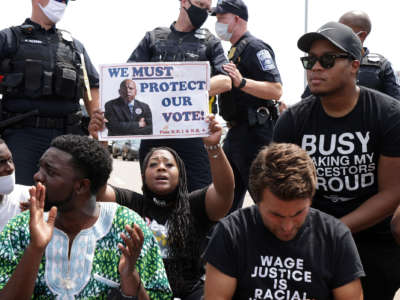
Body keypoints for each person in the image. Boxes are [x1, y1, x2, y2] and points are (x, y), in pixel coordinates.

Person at [274, 21, 400, 300]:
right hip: (309, 233)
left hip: (372, 235)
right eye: (310, 60)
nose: (315, 68)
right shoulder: (292, 122)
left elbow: (392, 193)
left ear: (355, 65)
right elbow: (279, 189)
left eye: (328, 60)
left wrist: (337, 229)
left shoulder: (388, 115)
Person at [0, 135, 172, 299]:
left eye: (50, 172)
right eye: (40, 167)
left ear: (81, 186)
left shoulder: (127, 229)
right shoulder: (21, 227)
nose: (37, 176)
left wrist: (130, 276)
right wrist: (35, 248)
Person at [91, 114, 234, 300]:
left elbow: (225, 192)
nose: (161, 168)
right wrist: (100, 144)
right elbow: (97, 190)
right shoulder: (131, 203)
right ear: (144, 173)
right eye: (153, 164)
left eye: (169, 164)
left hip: (190, 293)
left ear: (180, 173)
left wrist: (213, 147)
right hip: (139, 289)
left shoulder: (195, 205)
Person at [203, 143, 365, 300]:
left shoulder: (336, 236)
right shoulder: (231, 233)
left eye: (298, 213)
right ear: (257, 201)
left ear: (311, 198)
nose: (287, 227)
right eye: (276, 215)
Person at [127, 0, 232, 192]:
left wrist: (184, 88)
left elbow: (226, 81)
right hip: (154, 133)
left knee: (199, 197)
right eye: (200, 5)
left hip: (194, 136)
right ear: (184, 2)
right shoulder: (153, 38)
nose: (204, 12)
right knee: (154, 197)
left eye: (208, 9)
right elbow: (128, 77)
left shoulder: (210, 41)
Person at [0, 0, 100, 185]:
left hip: (68, 139)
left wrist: (98, 123)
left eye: (65, 0)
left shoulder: (74, 46)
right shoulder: (8, 39)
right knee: (23, 201)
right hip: (21, 137)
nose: (62, 3)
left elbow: (92, 86)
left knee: (69, 204)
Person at [211, 0, 283, 212]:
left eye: (221, 18)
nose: (218, 23)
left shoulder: (255, 47)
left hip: (254, 134)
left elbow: (276, 89)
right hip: (235, 133)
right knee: (225, 199)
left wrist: (242, 82)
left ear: (237, 19)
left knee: (265, 199)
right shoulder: (233, 51)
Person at [302, 11, 400, 100]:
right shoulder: (320, 67)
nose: (317, 68)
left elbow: (395, 105)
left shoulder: (380, 66)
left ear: (362, 36)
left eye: (343, 31)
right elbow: (306, 104)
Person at [0, 138, 30, 231]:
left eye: (10, 160)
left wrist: (40, 217)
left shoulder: (28, 197)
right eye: (1, 162)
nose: (10, 168)